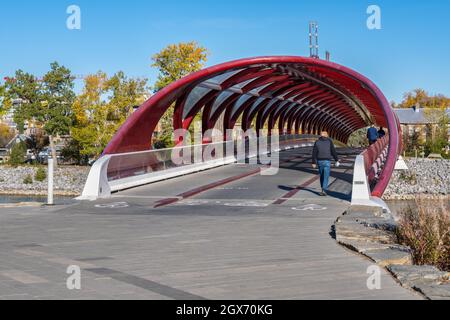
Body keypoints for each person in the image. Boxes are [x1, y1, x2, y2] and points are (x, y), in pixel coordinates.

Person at [312, 131, 340, 197]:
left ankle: (323, 189)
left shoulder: (317, 142)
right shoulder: (329, 141)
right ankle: (324, 189)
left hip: (320, 161)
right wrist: (336, 159)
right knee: (326, 176)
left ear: (321, 135)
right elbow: (333, 151)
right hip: (327, 161)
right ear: (327, 135)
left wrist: (313, 162)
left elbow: (314, 153)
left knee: (321, 175)